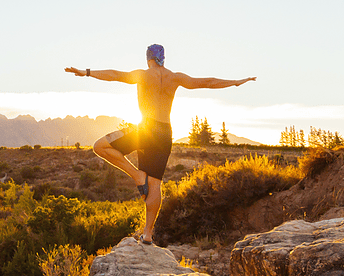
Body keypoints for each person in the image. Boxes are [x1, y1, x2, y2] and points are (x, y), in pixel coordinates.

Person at [65, 44, 256, 244]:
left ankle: (137, 175)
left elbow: (114, 74)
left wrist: (86, 72)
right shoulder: (176, 77)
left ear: (148, 58)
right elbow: (207, 82)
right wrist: (236, 82)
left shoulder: (143, 75)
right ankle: (148, 233)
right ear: (163, 58)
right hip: (165, 133)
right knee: (155, 183)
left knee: (100, 146)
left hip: (145, 129)